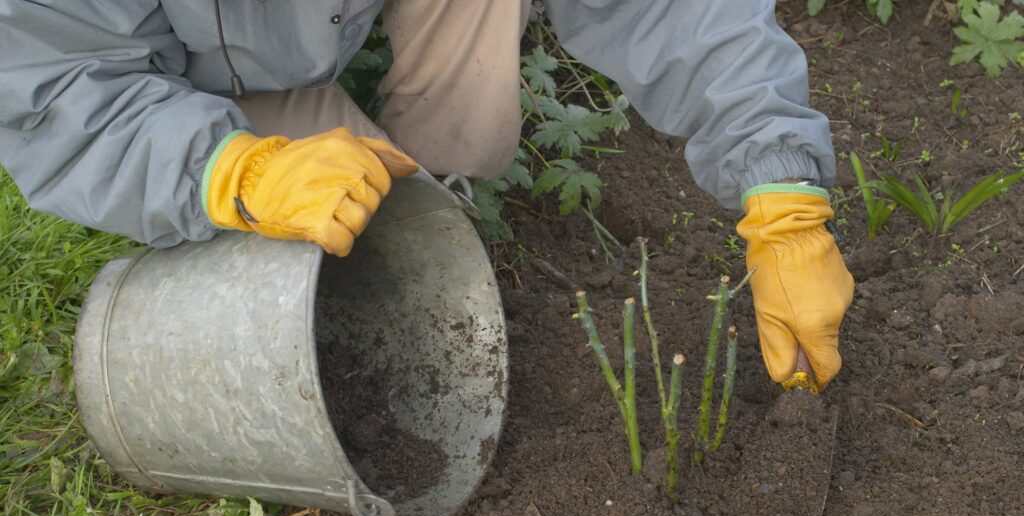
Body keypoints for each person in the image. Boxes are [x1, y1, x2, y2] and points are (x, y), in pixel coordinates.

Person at [0, 0, 853, 390]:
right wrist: (226, 171)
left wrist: (778, 183)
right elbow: (55, 86)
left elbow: (672, 9)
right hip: (185, 94)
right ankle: (371, 273)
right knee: (329, 218)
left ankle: (439, 222)